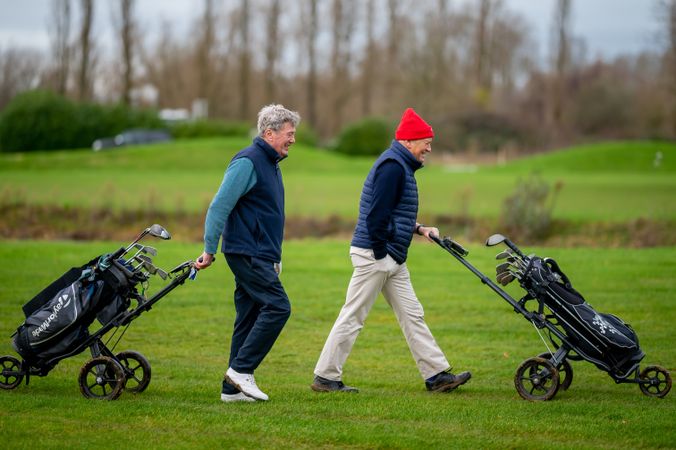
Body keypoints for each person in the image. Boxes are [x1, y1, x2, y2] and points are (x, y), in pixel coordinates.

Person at [311, 108, 472, 394]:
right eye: (426, 141)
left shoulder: (401, 166)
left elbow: (394, 214)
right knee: (353, 316)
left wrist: (420, 229)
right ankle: (325, 377)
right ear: (409, 141)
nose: (429, 147)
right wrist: (380, 253)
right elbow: (376, 216)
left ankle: (436, 375)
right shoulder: (392, 167)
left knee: (413, 314)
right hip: (378, 256)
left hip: (391, 256)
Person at [195, 104, 300, 402]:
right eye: (289, 134)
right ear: (269, 133)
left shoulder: (271, 163)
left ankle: (232, 389)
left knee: (249, 315)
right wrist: (209, 249)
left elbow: (266, 214)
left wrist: (274, 258)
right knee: (279, 307)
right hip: (246, 252)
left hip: (260, 254)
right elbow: (219, 206)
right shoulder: (248, 161)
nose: (293, 139)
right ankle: (241, 370)